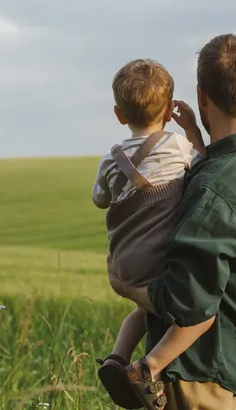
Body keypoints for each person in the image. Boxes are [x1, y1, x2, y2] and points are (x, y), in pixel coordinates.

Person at [121, 34, 236, 410]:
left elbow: (185, 305)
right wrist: (196, 139)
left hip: (204, 378)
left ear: (201, 97)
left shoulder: (211, 191)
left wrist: (126, 287)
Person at [91, 58, 212, 409]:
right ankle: (148, 368)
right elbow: (204, 163)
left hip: (124, 261)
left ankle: (116, 358)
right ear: (170, 107)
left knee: (146, 313)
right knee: (199, 314)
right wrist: (192, 129)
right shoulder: (177, 146)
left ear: (118, 113)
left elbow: (100, 200)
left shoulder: (110, 160)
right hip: (160, 259)